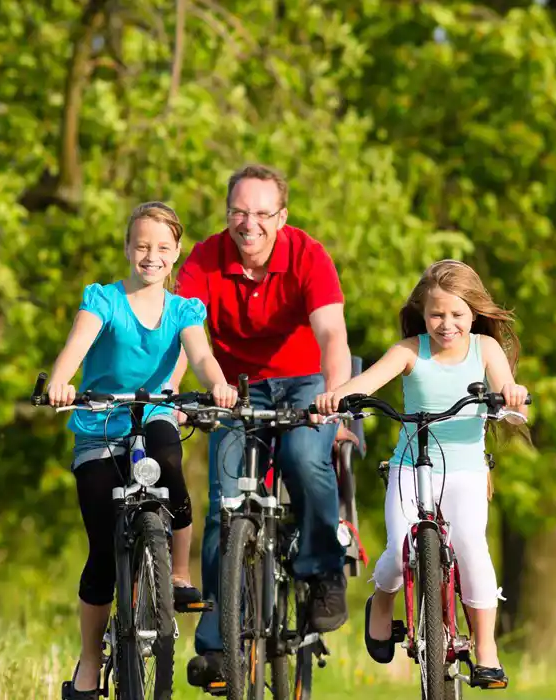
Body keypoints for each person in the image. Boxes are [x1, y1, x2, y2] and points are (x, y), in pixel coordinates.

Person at [43, 202, 240, 700]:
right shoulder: (103, 300)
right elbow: (77, 345)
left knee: (170, 462)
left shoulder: (183, 309)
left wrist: (216, 385)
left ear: (176, 254)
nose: (151, 255)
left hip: (153, 413)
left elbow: (200, 354)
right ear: (129, 248)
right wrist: (62, 382)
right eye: (142, 245)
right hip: (99, 422)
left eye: (162, 247)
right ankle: (90, 662)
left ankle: (176, 572)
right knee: (103, 555)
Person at [176, 164, 357, 689]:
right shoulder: (207, 257)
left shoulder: (308, 255)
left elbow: (332, 334)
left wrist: (335, 395)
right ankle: (215, 642)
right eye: (238, 211)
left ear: (281, 216)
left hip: (306, 382)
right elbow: (188, 332)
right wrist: (190, 389)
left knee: (304, 459)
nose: (248, 223)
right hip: (234, 387)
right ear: (227, 213)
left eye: (260, 213)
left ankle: (322, 568)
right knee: (225, 505)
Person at [314, 260, 525, 689]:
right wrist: (336, 397)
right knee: (396, 549)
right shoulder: (410, 350)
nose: (446, 324)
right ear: (423, 313)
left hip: (465, 469)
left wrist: (512, 395)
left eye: (457, 315)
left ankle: (486, 650)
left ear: (474, 313)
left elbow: (506, 386)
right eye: (436, 315)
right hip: (411, 466)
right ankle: (381, 604)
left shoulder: (485, 349)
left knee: (471, 547)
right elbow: (368, 382)